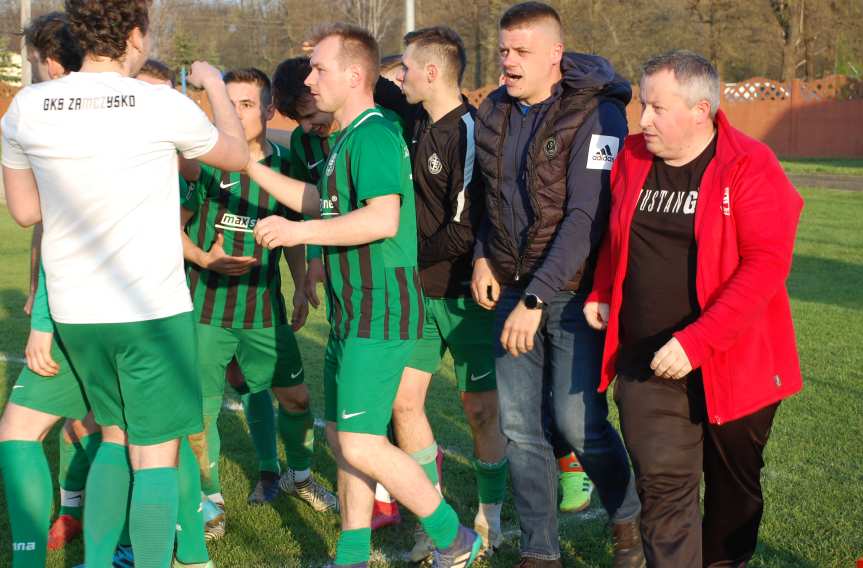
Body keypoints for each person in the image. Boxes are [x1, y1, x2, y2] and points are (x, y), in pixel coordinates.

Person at [1, 0, 248, 566]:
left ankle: (63, 558)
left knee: (112, 432)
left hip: (75, 313)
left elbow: (23, 212)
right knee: (153, 457)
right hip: (150, 310)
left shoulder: (26, 107)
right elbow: (232, 157)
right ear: (136, 34)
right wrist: (210, 84)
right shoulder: (161, 102)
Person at [246, 23, 482, 568]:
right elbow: (318, 201)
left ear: (355, 76)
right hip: (355, 314)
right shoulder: (346, 138)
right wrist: (250, 168)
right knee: (345, 438)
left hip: (381, 311)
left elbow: (381, 217)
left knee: (358, 443)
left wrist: (298, 235)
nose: (309, 77)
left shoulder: (374, 133)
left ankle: (453, 538)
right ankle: (351, 553)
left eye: (320, 68)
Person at [584, 50, 804, 567]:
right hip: (647, 363)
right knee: (663, 493)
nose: (644, 119)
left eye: (658, 108)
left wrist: (697, 341)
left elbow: (766, 266)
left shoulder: (750, 165)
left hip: (736, 362)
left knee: (733, 493)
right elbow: (616, 236)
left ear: (701, 110)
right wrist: (600, 288)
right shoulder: (632, 158)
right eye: (644, 104)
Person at [469, 2, 644, 566]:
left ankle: (627, 520)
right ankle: (540, 550)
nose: (509, 62)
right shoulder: (494, 109)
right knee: (520, 427)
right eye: (503, 50)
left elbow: (586, 217)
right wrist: (482, 257)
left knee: (577, 421)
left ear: (555, 55)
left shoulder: (597, 113)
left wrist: (538, 297)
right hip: (511, 289)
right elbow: (488, 200)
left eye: (521, 52)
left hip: (571, 295)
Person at [180, 67, 337, 540]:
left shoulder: (287, 165)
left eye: (245, 104)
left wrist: (302, 280)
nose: (233, 113)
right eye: (226, 103)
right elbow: (167, 228)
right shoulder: (205, 164)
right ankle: (209, 498)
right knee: (199, 415)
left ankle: (299, 475)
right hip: (207, 310)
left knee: (297, 398)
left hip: (264, 310)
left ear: (269, 111)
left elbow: (293, 232)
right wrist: (204, 257)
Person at [373, 26, 508, 560]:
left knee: (479, 412)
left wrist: (399, 252)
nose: (397, 75)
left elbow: (462, 228)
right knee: (405, 404)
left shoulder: (470, 132)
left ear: (432, 72)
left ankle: (490, 514)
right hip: (418, 296)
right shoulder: (412, 119)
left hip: (466, 297)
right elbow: (370, 83)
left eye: (405, 66)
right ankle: (436, 518)